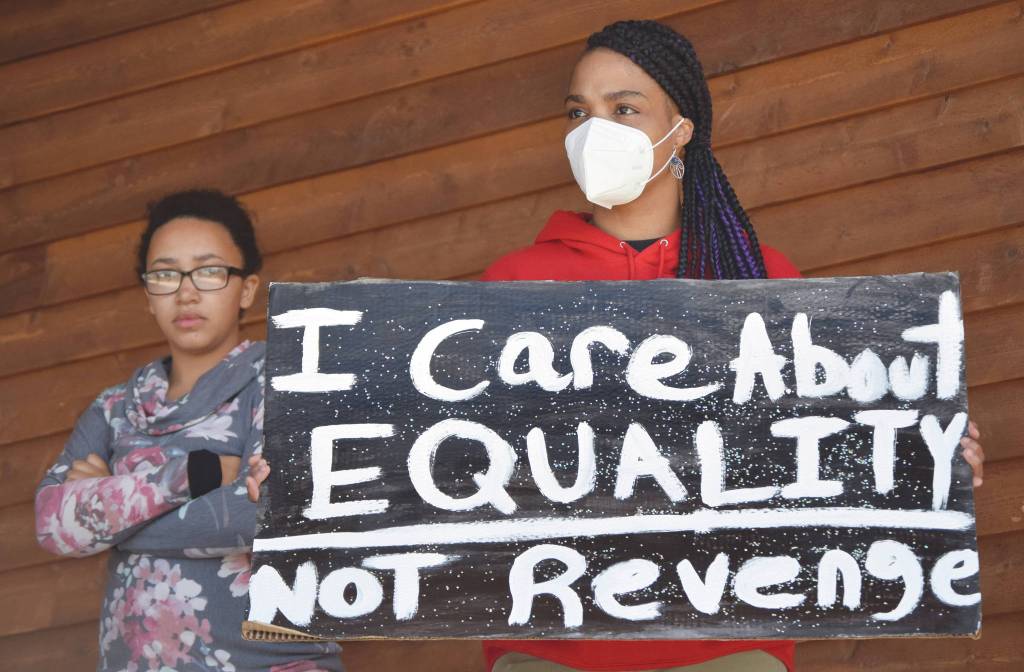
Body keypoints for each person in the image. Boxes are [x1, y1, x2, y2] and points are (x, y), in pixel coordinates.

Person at [475, 19, 985, 672]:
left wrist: (925, 459)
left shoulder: (763, 280)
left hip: (730, 647)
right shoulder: (511, 285)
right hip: (553, 650)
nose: (593, 131)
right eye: (579, 111)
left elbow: (825, 448)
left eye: (624, 109)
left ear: (680, 130)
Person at [35, 190, 342, 672]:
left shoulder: (287, 382)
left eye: (209, 270)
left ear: (245, 288)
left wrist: (112, 512)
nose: (186, 291)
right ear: (148, 295)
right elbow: (53, 523)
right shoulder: (115, 407)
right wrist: (194, 476)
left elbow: (262, 515)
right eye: (165, 273)